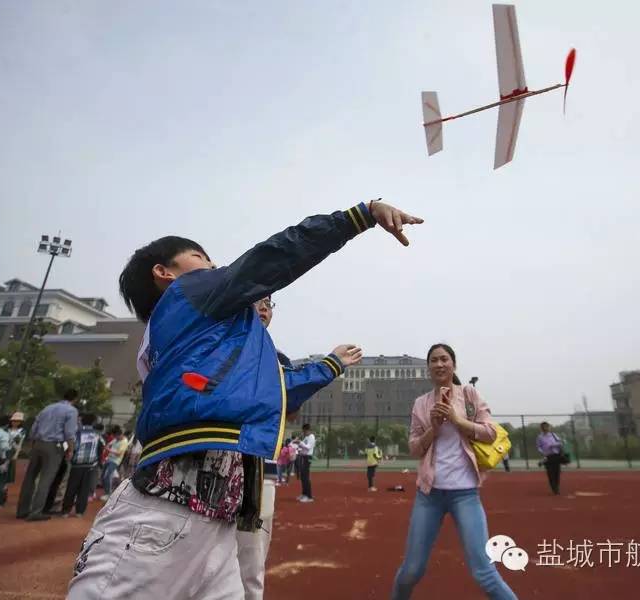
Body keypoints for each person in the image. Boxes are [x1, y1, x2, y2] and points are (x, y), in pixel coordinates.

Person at [68, 199, 422, 600]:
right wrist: (358, 216)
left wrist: (328, 365)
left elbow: (270, 391)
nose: (216, 265)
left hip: (216, 516)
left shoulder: (193, 336)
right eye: (201, 257)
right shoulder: (189, 293)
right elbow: (270, 259)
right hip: (165, 506)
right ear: (164, 273)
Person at [236, 294, 360, 600]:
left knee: (250, 568)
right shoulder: (222, 346)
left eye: (269, 302)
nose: (264, 307)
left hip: (259, 473)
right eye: (256, 300)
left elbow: (289, 406)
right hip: (217, 468)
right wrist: (329, 364)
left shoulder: (277, 358)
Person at [392, 344, 517, 600]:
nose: (439, 364)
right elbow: (415, 448)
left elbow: (492, 432)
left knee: (485, 573)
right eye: (434, 360)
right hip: (429, 495)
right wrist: (434, 429)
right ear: (428, 368)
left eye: (444, 359)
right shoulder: (421, 404)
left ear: (453, 365)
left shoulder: (470, 395)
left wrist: (458, 420)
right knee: (411, 571)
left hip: (465, 495)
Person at [16, 389, 79, 521]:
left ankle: (22, 510)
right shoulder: (71, 411)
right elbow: (69, 433)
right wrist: (71, 450)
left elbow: (34, 426)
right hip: (54, 446)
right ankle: (36, 511)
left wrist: (33, 441)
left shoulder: (47, 408)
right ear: (75, 399)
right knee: (46, 479)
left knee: (30, 477)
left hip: (38, 443)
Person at [62, 413, 105, 518]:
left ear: (81, 421)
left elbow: (69, 445)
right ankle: (79, 511)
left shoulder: (77, 433)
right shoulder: (97, 434)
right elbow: (102, 446)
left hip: (76, 465)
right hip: (90, 465)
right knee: (84, 489)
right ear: (94, 422)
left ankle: (66, 511)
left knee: (71, 487)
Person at [100, 425, 128, 500]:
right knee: (103, 476)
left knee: (107, 476)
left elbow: (119, 453)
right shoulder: (116, 439)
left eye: (116, 436)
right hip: (109, 459)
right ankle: (107, 491)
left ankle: (108, 494)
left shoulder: (124, 441)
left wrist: (108, 450)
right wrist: (108, 446)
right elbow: (109, 444)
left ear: (120, 434)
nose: (115, 438)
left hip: (115, 461)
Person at [537, 422, 565, 495]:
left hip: (556, 455)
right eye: (544, 427)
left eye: (547, 427)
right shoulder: (540, 437)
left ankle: (557, 486)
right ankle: (554, 488)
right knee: (550, 473)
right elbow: (539, 447)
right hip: (547, 456)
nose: (546, 428)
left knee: (557, 472)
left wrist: (554, 445)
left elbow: (560, 443)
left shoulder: (553, 435)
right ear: (542, 428)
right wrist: (542, 452)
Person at [295, 423, 316, 502]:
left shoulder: (311, 437)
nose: (303, 432)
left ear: (308, 430)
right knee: (303, 477)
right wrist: (297, 444)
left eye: (304, 431)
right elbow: (302, 446)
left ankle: (309, 496)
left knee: (306, 477)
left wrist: (300, 442)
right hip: (303, 457)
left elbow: (308, 447)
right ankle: (304, 494)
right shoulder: (306, 437)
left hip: (307, 458)